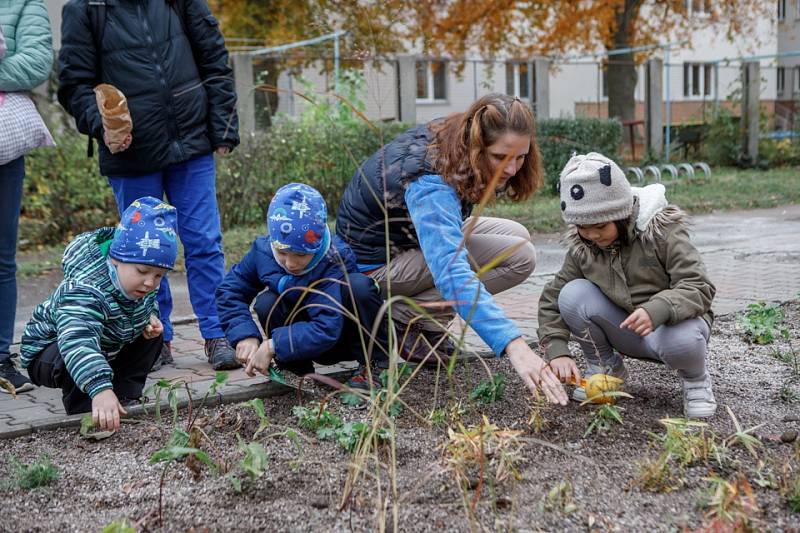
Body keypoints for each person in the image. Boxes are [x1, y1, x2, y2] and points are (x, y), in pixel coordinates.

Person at [336, 93, 568, 404]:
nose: (512, 169)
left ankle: (422, 320)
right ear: (477, 144)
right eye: (501, 157)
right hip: (373, 268)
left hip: (405, 242)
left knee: (520, 236)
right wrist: (514, 344)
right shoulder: (430, 180)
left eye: (520, 156)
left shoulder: (454, 135)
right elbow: (450, 269)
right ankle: (405, 316)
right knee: (519, 258)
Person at [57, 0, 240, 372]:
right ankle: (156, 338)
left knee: (205, 241)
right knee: (143, 254)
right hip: (132, 154)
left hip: (192, 142)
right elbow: (74, 85)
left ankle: (217, 333)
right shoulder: (86, 8)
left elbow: (215, 59)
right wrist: (102, 125)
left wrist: (222, 127)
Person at [537, 153, 717, 418]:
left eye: (599, 226)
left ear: (621, 214)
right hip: (625, 330)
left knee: (685, 339)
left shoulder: (663, 232)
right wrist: (556, 350)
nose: (591, 235)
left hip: (668, 330)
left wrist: (659, 309)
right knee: (572, 294)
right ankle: (605, 368)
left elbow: (699, 286)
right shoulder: (584, 246)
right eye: (582, 227)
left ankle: (695, 380)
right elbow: (553, 297)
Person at [20, 197, 178, 430]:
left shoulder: (138, 284)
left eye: (158, 276)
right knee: (73, 354)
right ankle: (86, 407)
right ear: (115, 259)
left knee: (154, 336)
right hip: (50, 348)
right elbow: (78, 340)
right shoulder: (87, 289)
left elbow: (146, 304)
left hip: (104, 342)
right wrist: (100, 388)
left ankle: (124, 395)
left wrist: (150, 317)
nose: (149, 282)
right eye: (142, 271)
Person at [216, 184, 389, 389]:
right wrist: (245, 335)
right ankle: (295, 369)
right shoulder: (262, 252)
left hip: (341, 338)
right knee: (266, 302)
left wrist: (273, 345)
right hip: (302, 339)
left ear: (316, 247)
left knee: (359, 287)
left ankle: (374, 365)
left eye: (300, 255)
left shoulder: (333, 259)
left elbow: (327, 326)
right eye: (282, 252)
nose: (290, 263)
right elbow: (230, 290)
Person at [0, 0, 53, 392]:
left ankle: (0, 358)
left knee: (2, 258)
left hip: (4, 146)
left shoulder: (23, 4)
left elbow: (35, 63)